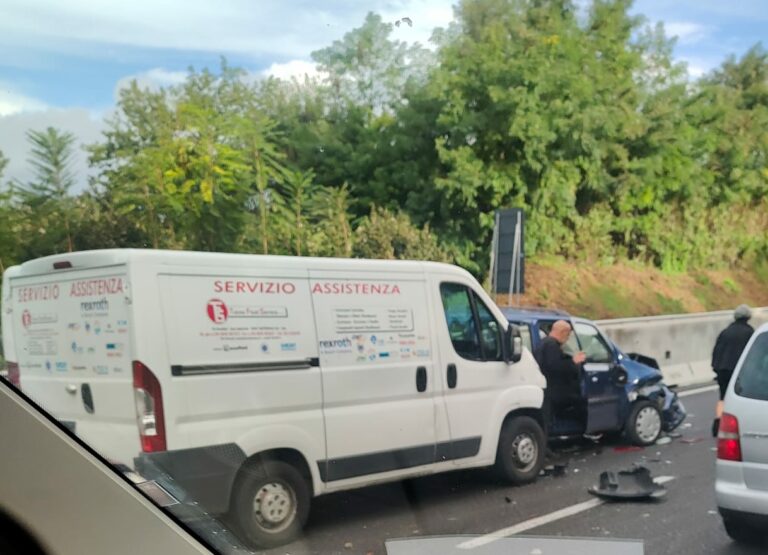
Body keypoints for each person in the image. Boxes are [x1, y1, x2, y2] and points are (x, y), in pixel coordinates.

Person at [534, 320, 587, 430]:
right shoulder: (552, 345)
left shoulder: (542, 343)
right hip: (554, 391)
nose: (567, 339)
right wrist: (574, 362)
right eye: (568, 335)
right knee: (581, 402)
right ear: (563, 332)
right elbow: (556, 367)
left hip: (546, 389)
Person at [711, 304, 754, 436]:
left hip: (722, 368)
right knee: (740, 397)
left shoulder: (726, 331)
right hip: (738, 371)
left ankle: (718, 422)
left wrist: (716, 368)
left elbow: (716, 350)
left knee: (723, 396)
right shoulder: (749, 332)